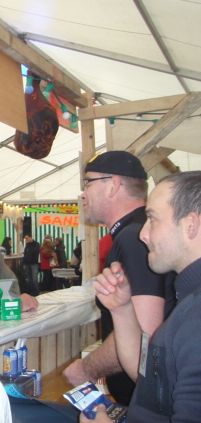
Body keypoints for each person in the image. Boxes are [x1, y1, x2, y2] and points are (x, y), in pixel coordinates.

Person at [83, 171, 201, 422]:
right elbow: (153, 381)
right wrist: (123, 310)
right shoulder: (189, 300)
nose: (143, 234)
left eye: (152, 219)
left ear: (190, 225)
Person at [63, 151, 174, 406]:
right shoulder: (138, 231)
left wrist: (87, 368)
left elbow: (148, 333)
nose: (82, 194)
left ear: (113, 185)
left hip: (144, 399)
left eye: (88, 183)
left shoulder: (134, 237)